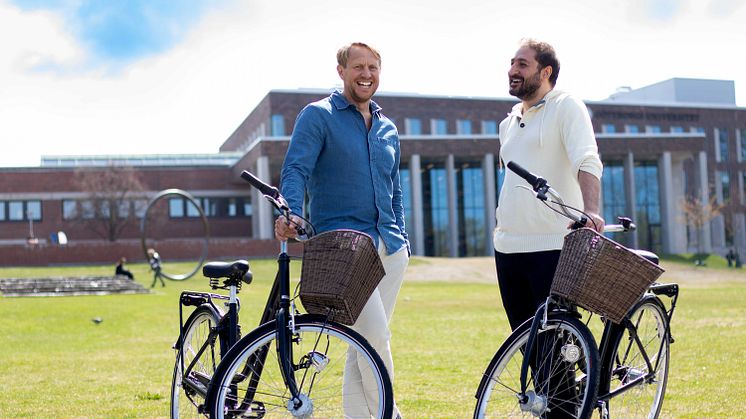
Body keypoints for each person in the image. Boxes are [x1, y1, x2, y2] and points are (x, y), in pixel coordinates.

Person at [275, 42, 409, 418]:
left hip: (391, 250)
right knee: (376, 340)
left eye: (373, 68)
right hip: (344, 250)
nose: (366, 75)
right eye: (358, 67)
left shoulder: (388, 128)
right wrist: (290, 211)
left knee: (362, 344)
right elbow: (295, 170)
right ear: (341, 71)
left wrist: (403, 240)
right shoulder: (317, 116)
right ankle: (390, 413)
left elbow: (395, 189)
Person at [493, 39, 604, 418]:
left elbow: (587, 159)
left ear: (546, 72)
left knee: (558, 347)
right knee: (532, 350)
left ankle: (567, 411)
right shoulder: (508, 122)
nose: (513, 69)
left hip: (552, 246)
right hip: (507, 249)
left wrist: (591, 211)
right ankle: (563, 411)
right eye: (511, 63)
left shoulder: (566, 107)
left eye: (522, 64)